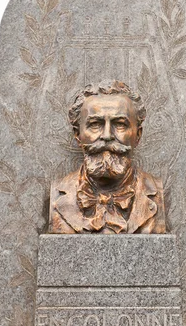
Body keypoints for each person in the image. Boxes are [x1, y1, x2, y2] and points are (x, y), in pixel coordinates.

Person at [49, 80, 166, 234]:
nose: (107, 136)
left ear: (138, 135)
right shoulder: (57, 194)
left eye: (120, 124)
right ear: (78, 135)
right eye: (95, 124)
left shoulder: (156, 191)